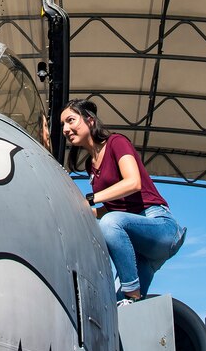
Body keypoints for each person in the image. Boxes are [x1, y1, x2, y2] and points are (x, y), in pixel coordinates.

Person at [60, 99, 186, 304]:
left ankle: (131, 292)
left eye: (70, 120)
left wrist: (90, 199)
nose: (66, 129)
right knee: (120, 309)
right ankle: (130, 298)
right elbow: (112, 206)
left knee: (109, 223)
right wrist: (80, 209)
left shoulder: (117, 143)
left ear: (90, 121)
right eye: (62, 125)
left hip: (158, 225)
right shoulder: (91, 166)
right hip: (137, 250)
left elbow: (133, 182)